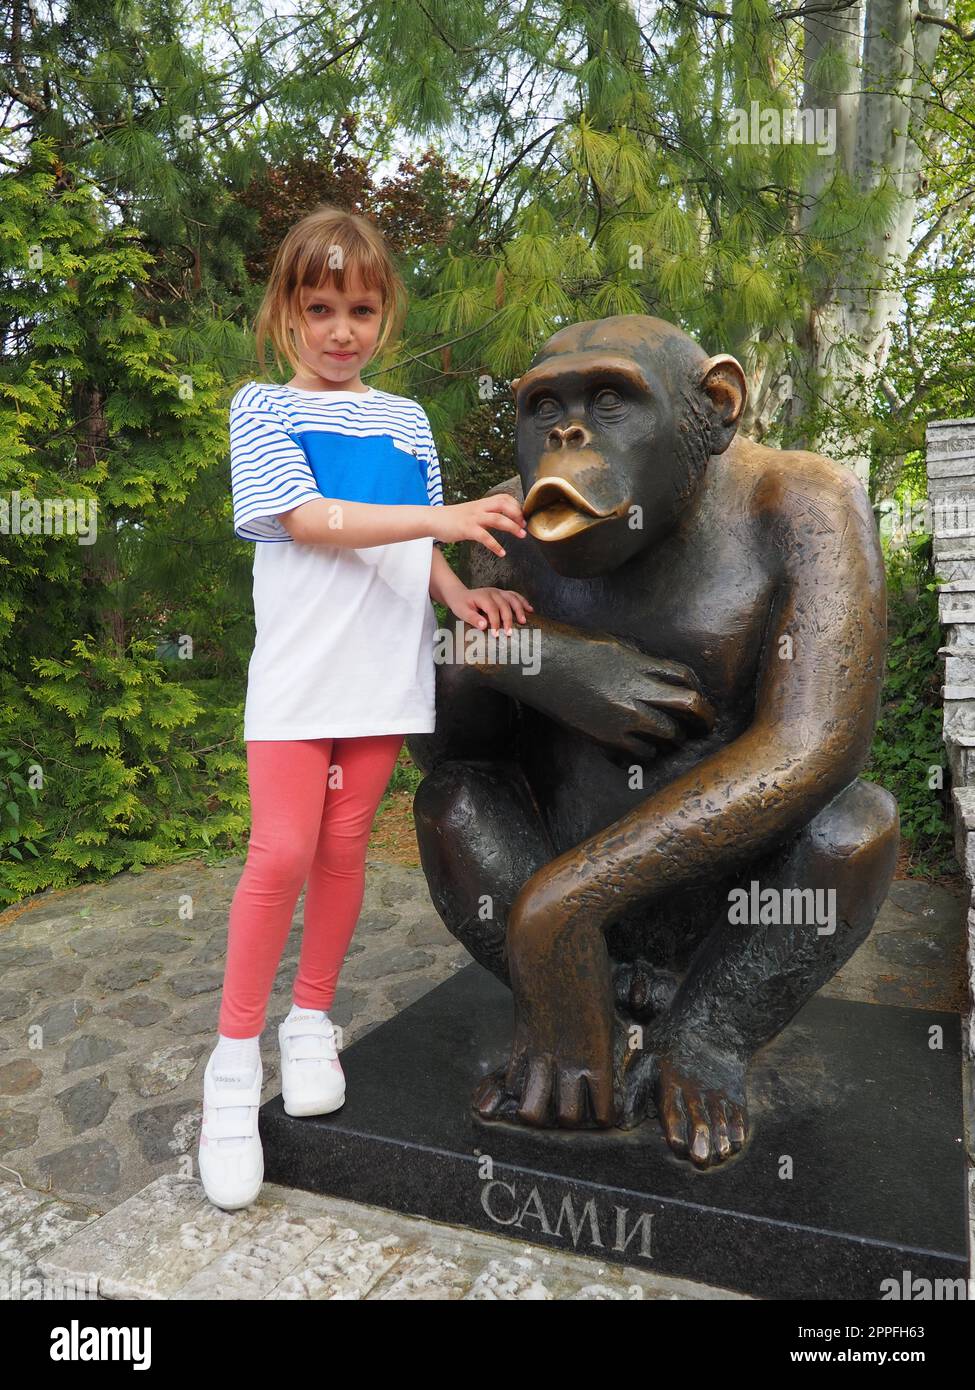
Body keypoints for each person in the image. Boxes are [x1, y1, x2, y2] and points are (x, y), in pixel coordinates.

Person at [198, 204, 533, 1210]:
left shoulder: (405, 419)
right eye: (321, 307)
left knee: (346, 847)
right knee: (282, 853)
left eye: (361, 308)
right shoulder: (262, 409)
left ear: (383, 316)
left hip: (383, 674)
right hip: (301, 679)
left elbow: (401, 534)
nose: (341, 329)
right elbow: (313, 521)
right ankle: (227, 1070)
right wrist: (450, 514)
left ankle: (310, 1023)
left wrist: (456, 590)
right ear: (286, 312)